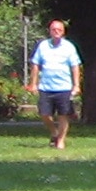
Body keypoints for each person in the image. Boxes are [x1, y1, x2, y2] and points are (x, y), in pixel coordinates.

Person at [27, 19, 82, 150]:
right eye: (54, 29)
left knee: (64, 115)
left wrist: (76, 85)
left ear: (63, 32)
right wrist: (33, 84)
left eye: (59, 30)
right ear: (50, 31)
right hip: (46, 87)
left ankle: (61, 141)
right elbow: (35, 65)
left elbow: (75, 67)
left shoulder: (69, 47)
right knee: (44, 114)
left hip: (64, 87)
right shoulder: (43, 46)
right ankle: (54, 132)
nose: (56, 32)